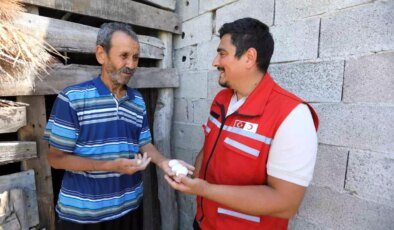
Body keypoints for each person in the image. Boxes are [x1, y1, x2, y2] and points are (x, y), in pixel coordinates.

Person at [165, 17, 319, 229]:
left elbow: (286, 204)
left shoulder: (292, 115)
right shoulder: (221, 100)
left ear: (249, 57)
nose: (215, 62)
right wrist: (190, 175)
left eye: (222, 53)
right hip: (203, 222)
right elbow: (210, 147)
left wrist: (203, 190)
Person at [44, 22, 193, 230]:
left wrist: (164, 162)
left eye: (135, 57)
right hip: (83, 216)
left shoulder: (137, 100)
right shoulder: (73, 99)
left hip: (129, 208)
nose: (131, 64)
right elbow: (55, 158)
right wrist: (110, 166)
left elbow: (145, 144)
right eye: (124, 56)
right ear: (101, 55)